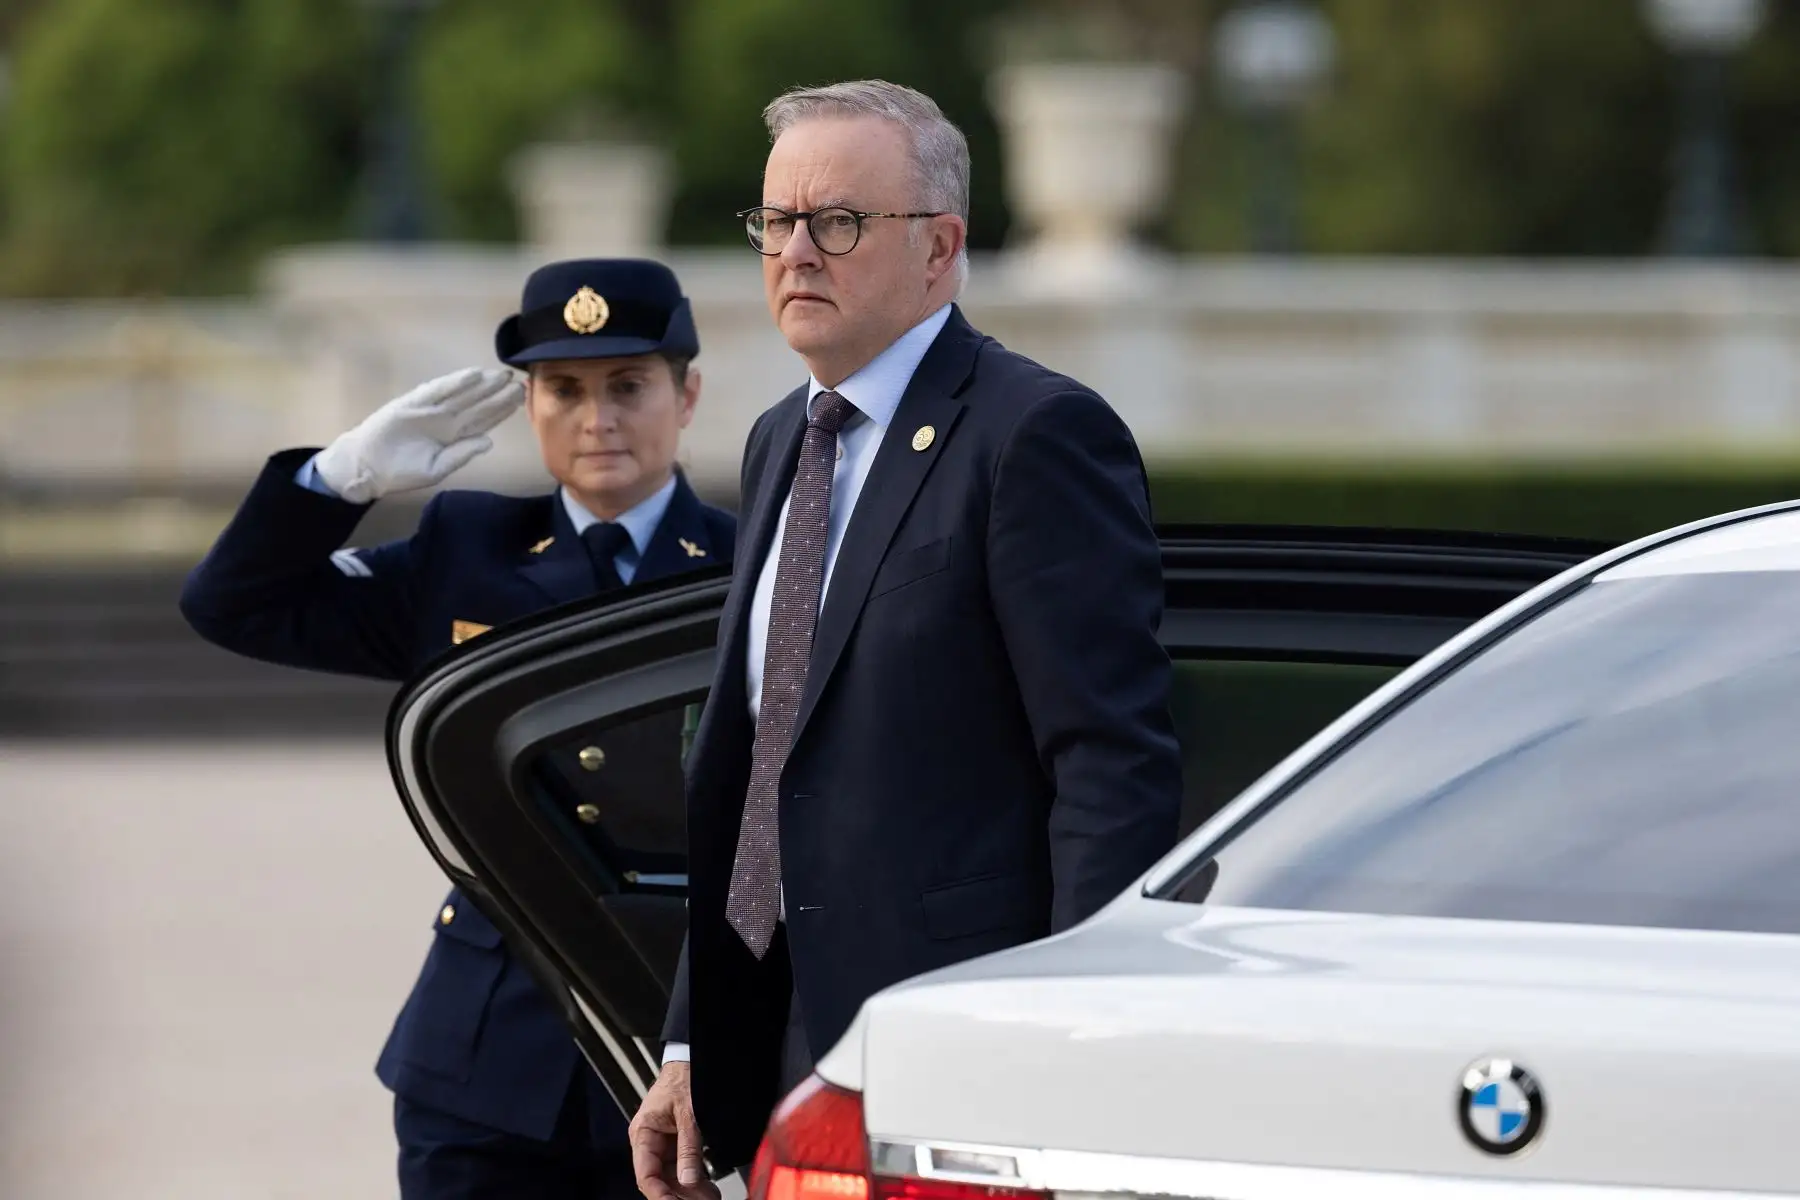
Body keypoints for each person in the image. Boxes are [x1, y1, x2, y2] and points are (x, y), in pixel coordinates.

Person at [628, 80, 1183, 1194]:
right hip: (793, 1052)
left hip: (965, 1045)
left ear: (940, 250)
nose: (796, 253)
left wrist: (1070, 1034)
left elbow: (1109, 766)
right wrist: (695, 1038)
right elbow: (765, 765)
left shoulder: (1034, 436)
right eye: (776, 224)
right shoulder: (783, 437)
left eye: (837, 222)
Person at [179, 259, 735, 1199]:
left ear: (686, 395)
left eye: (627, 386)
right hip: (487, 1056)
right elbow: (234, 607)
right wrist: (337, 478)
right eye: (563, 389)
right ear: (529, 405)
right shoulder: (466, 547)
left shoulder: (749, 557)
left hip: (672, 1031)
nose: (595, 417)